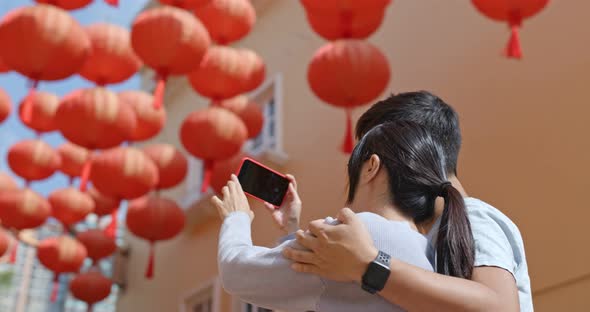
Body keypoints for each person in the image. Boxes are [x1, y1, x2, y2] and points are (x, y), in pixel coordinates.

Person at [283, 91, 531, 311]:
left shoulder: (473, 216)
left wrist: (367, 265)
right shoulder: (423, 231)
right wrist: (290, 230)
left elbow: (499, 306)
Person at [212, 121, 471, 312]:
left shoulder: (354, 234)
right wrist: (291, 229)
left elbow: (238, 273)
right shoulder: (433, 254)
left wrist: (236, 217)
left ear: (371, 167)